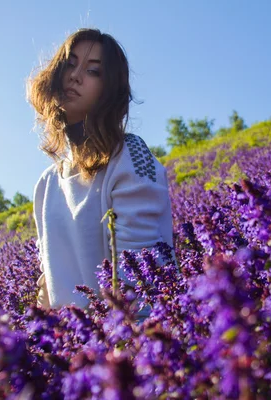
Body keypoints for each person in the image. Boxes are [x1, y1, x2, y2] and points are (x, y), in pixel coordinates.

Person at [26, 28, 175, 313]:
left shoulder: (129, 155)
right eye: (69, 65)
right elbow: (49, 287)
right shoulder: (46, 184)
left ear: (109, 90)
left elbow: (142, 280)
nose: (75, 76)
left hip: (129, 344)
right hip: (73, 349)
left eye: (93, 71)